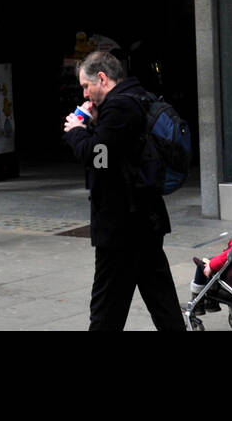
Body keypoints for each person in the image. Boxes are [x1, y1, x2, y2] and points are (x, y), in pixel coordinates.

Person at [64, 50, 185, 331]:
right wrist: (96, 123)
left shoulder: (119, 108)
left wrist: (76, 131)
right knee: (161, 300)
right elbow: (120, 152)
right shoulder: (137, 98)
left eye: (86, 86)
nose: (85, 93)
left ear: (102, 78)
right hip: (144, 219)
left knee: (106, 308)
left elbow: (98, 156)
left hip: (122, 225)